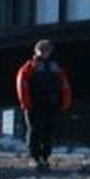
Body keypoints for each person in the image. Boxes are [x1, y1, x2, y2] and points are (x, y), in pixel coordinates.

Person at [15, 39, 72, 171]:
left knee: (49, 131)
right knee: (35, 130)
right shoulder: (30, 66)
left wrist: (65, 102)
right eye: (41, 49)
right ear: (36, 51)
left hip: (52, 104)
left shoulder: (56, 68)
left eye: (47, 49)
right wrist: (26, 102)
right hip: (34, 104)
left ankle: (45, 157)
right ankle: (35, 157)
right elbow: (21, 83)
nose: (44, 52)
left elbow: (64, 85)